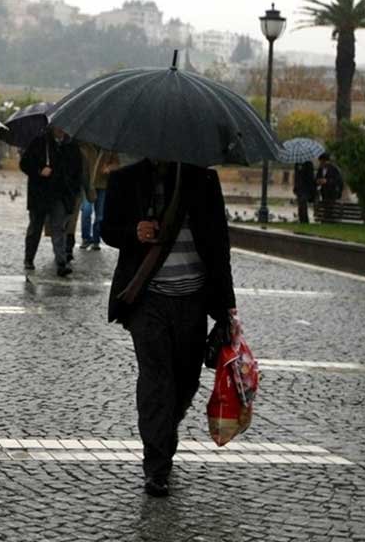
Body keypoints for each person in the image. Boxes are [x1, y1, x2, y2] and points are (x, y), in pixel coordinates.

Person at [101, 159, 237, 498]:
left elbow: (219, 242)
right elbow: (108, 230)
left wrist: (226, 306)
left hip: (193, 299)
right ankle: (157, 465)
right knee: (156, 380)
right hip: (148, 299)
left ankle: (163, 430)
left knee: (185, 381)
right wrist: (134, 232)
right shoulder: (126, 178)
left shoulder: (203, 180)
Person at [20, 126, 82, 276]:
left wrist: (72, 190)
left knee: (59, 227)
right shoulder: (40, 142)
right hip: (40, 194)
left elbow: (77, 171)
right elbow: (24, 164)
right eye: (58, 127)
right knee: (35, 228)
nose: (61, 130)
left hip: (60, 194)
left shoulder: (71, 145)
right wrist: (39, 171)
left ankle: (61, 262)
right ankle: (29, 258)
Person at [79, 144, 119, 251]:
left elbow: (116, 163)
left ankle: (96, 240)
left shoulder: (109, 147)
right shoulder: (85, 146)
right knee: (86, 211)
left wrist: (109, 167)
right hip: (88, 184)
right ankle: (86, 238)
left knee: (100, 215)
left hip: (102, 184)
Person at [315, 152, 343, 220]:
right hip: (324, 192)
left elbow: (338, 181)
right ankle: (325, 219)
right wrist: (318, 181)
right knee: (325, 206)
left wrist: (327, 181)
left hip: (332, 192)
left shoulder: (334, 169)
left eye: (322, 161)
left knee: (331, 207)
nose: (321, 163)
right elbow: (317, 178)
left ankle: (330, 220)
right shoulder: (320, 169)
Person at [293, 160, 316, 224]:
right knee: (300, 204)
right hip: (299, 188)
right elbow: (296, 177)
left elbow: (310, 177)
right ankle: (301, 219)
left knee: (303, 203)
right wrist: (295, 187)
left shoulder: (309, 164)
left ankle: (305, 220)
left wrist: (311, 190)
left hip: (306, 188)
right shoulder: (297, 164)